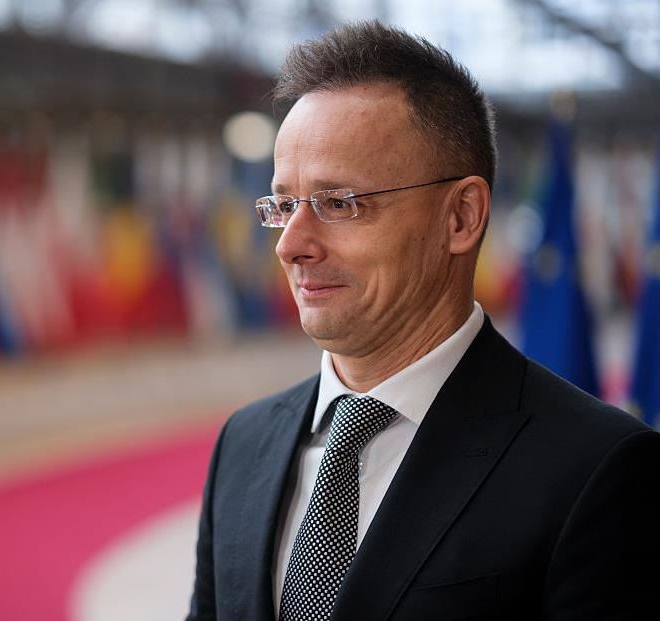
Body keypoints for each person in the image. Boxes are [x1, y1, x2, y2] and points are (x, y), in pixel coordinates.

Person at [187, 20, 660, 621]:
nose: (290, 245)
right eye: (284, 205)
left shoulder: (596, 468)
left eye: (340, 203)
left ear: (460, 217)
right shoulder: (243, 443)